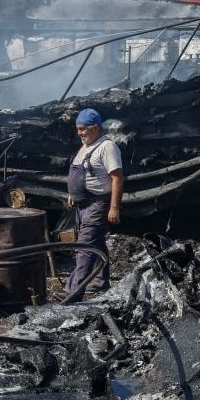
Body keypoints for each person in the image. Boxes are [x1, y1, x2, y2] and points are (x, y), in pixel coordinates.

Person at [65, 108, 124, 300]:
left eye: (83, 129)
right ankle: (99, 281)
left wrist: (114, 207)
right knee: (96, 244)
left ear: (96, 128)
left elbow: (117, 178)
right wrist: (73, 193)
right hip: (82, 205)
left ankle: (73, 293)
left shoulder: (107, 147)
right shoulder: (86, 146)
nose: (80, 133)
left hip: (98, 204)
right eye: (78, 129)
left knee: (84, 248)